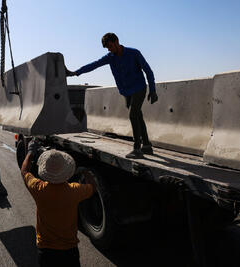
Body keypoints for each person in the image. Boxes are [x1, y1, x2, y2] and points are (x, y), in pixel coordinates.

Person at [66, 32, 158, 158]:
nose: (109, 49)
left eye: (110, 46)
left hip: (139, 88)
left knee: (133, 114)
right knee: (138, 116)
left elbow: (148, 71)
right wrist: (76, 73)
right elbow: (94, 65)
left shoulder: (134, 53)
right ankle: (147, 145)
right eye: (107, 48)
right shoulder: (110, 57)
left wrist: (153, 90)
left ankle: (137, 149)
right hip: (126, 92)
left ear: (117, 41)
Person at [21, 139, 96, 267]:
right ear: (67, 170)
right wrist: (86, 172)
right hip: (69, 251)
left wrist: (30, 152)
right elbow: (92, 187)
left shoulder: (39, 188)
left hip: (45, 250)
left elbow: (24, 171)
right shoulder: (74, 190)